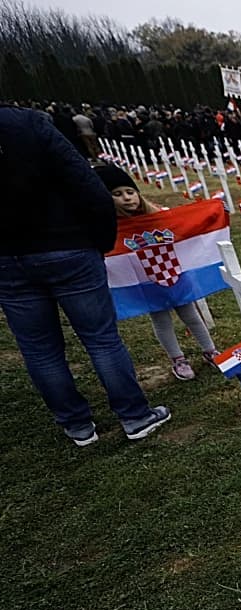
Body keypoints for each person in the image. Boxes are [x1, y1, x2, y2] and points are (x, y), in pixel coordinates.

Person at [0, 104, 169, 444]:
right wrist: (101, 239)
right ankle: (134, 416)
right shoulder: (27, 123)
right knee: (100, 337)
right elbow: (85, 182)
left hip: (8, 256)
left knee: (39, 349)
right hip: (66, 245)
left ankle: (76, 424)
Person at [93, 163, 219, 382]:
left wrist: (212, 213)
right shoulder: (110, 227)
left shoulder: (159, 215)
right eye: (117, 194)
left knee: (190, 314)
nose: (127, 198)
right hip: (145, 281)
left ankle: (210, 350)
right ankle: (178, 359)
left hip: (172, 274)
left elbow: (184, 225)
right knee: (161, 320)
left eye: (130, 192)